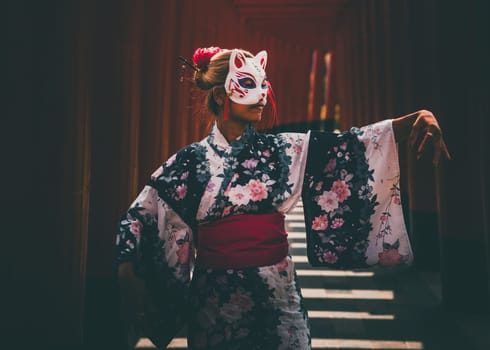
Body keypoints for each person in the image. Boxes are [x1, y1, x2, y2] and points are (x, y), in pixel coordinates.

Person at [115, 47, 450, 350]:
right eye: (250, 84)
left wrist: (413, 121)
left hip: (279, 294)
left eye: (264, 85)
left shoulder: (281, 149)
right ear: (220, 94)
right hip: (215, 302)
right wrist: (127, 267)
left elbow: (347, 146)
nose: (262, 95)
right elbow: (143, 215)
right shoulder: (188, 163)